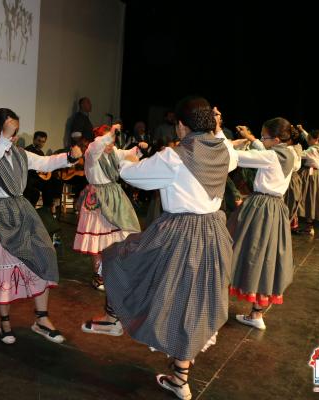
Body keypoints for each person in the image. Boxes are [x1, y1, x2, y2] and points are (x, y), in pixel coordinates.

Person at [84, 96, 238, 400]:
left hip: (179, 233)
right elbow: (224, 147)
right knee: (194, 300)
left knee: (117, 258)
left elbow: (131, 175)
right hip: (213, 233)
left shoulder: (174, 157)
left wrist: (125, 159)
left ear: (181, 126)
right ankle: (181, 378)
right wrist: (218, 128)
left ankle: (115, 317)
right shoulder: (226, 152)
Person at [0, 108, 82, 345]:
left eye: (16, 131)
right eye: (10, 130)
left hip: (22, 212)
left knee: (44, 255)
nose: (14, 135)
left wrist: (69, 156)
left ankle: (42, 319)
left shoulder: (20, 154)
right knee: (4, 269)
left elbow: (46, 162)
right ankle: (5, 322)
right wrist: (4, 140)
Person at [230, 118, 296, 331]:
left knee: (244, 249)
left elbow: (238, 158)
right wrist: (251, 140)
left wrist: (222, 141)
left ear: (276, 139)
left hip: (260, 207)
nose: (261, 139)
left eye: (264, 136)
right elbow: (261, 150)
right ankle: (257, 312)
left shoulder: (270, 156)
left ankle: (217, 298)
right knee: (267, 257)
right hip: (276, 208)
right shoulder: (292, 154)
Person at [72, 123, 146, 291]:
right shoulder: (91, 155)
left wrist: (140, 149)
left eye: (112, 140)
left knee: (118, 235)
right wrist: (109, 133)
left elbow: (128, 154)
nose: (111, 143)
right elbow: (96, 147)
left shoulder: (114, 153)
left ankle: (115, 271)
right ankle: (99, 275)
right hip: (98, 199)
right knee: (98, 238)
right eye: (108, 139)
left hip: (114, 196)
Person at [296, 125, 319, 235]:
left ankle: (295, 224)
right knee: (310, 199)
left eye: (309, 139)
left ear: (316, 139)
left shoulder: (313, 150)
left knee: (304, 198)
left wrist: (292, 146)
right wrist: (302, 130)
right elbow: (308, 137)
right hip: (316, 175)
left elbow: (298, 154)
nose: (307, 140)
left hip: (310, 175)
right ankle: (309, 227)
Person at [23, 131, 62, 213]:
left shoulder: (41, 152)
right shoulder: (28, 150)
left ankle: (48, 207)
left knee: (55, 180)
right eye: (39, 141)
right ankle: (47, 207)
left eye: (43, 142)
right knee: (47, 184)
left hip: (38, 177)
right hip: (29, 178)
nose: (41, 143)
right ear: (34, 140)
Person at [284, 127, 303, 232]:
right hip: (295, 176)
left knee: (288, 201)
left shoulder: (289, 150)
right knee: (291, 201)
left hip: (290, 177)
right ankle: (290, 224)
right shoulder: (298, 147)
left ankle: (286, 225)